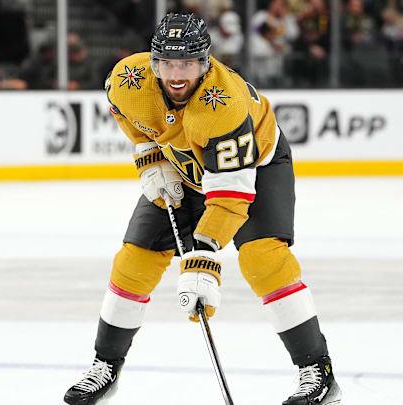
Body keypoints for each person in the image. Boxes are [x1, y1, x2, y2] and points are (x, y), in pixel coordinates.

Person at [63, 13, 341, 405]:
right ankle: (105, 365)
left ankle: (318, 370)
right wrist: (150, 156)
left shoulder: (223, 105)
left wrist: (203, 259)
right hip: (182, 163)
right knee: (134, 261)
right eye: (168, 64)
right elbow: (127, 115)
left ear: (205, 63)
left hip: (254, 170)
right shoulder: (130, 80)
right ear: (154, 63)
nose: (177, 75)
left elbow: (230, 195)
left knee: (264, 259)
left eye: (188, 64)